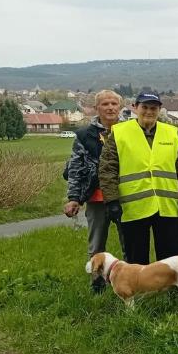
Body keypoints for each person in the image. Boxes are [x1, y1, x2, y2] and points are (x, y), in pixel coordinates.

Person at [99, 93, 178, 265]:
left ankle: (172, 289)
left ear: (159, 109)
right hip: (134, 206)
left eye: (153, 108)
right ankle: (139, 290)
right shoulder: (119, 133)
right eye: (145, 107)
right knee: (136, 256)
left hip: (168, 206)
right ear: (135, 108)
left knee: (172, 256)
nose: (149, 112)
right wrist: (111, 200)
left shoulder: (172, 133)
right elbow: (107, 169)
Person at [63, 89, 126, 292]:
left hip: (125, 197)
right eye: (105, 104)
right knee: (96, 244)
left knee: (130, 242)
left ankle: (130, 281)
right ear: (96, 108)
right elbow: (76, 168)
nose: (110, 107)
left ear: (120, 107)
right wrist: (74, 198)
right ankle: (97, 284)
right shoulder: (84, 135)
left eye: (114, 104)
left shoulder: (130, 131)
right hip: (96, 198)